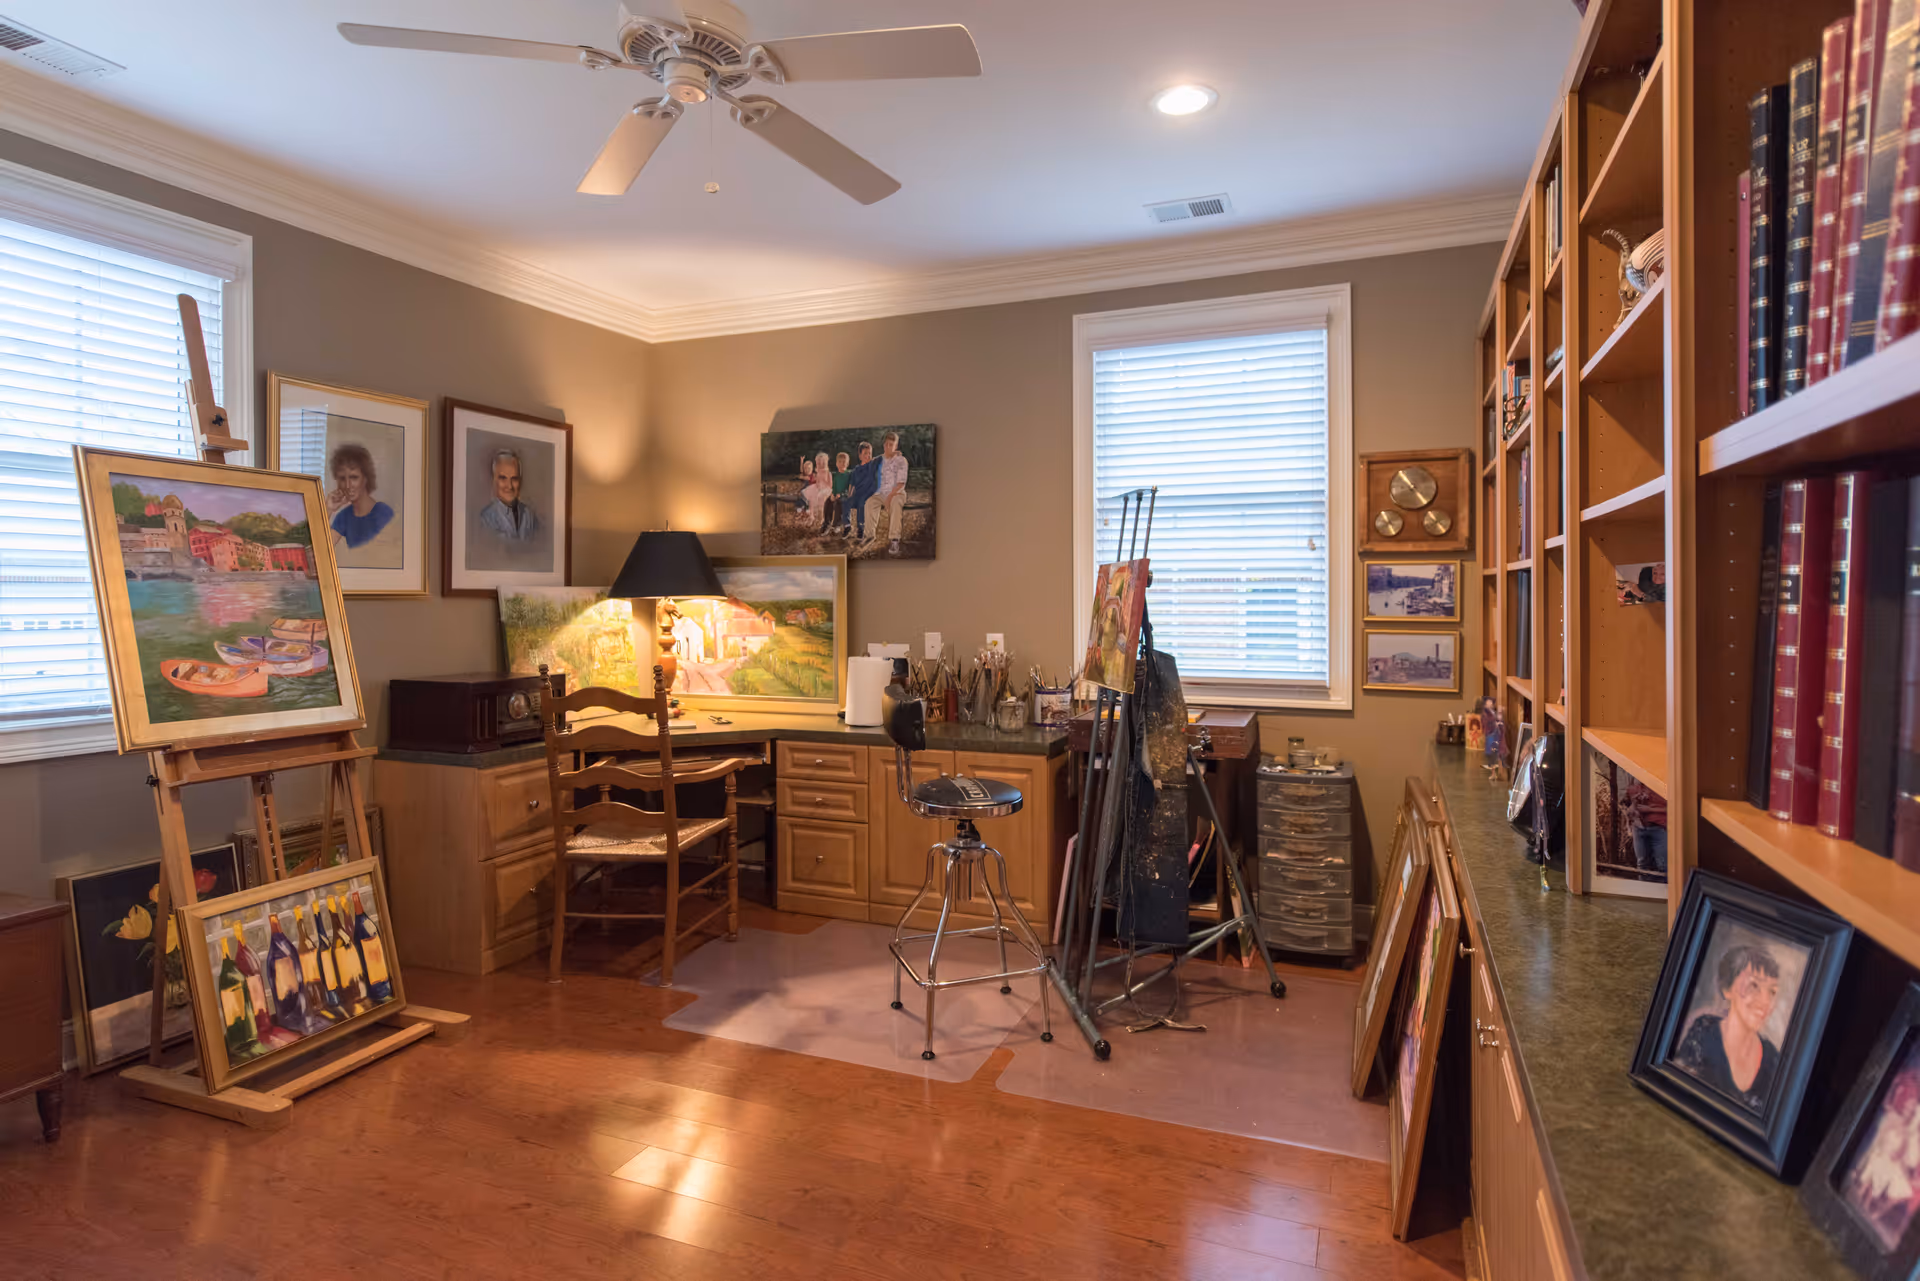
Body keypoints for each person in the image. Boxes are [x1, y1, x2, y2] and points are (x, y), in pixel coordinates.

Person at [1672, 943, 1783, 1111]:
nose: (1766, 1002)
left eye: (1772, 992)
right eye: (1754, 986)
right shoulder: (1703, 1033)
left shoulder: (1773, 1060)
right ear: (1727, 989)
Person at [326, 443, 394, 551]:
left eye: (354, 477)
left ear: (366, 478)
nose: (348, 485)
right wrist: (328, 509)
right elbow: (322, 550)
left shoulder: (383, 512)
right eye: (342, 479)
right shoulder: (343, 517)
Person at [863, 430, 910, 556]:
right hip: (881, 493)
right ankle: (869, 535)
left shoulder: (901, 461)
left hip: (897, 493)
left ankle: (894, 539)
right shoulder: (879, 460)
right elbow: (867, 466)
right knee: (869, 503)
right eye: (886, 444)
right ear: (884, 445)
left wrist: (889, 498)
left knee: (895, 504)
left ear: (896, 446)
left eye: (891, 445)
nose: (888, 447)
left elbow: (900, 484)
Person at [479, 448, 537, 542]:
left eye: (514, 479)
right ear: (494, 481)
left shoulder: (529, 515)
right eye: (503, 478)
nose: (509, 486)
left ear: (520, 481)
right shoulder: (486, 518)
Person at [1621, 778, 1667, 873]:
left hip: (1659, 828)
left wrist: (1650, 809)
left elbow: (1674, 807)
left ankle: (1664, 887)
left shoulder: (1663, 789)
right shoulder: (1633, 789)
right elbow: (1628, 811)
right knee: (1642, 863)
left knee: (1662, 864)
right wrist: (1634, 803)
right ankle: (1643, 885)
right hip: (1639, 828)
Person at [845, 440, 880, 543]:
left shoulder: (872, 465)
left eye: (870, 453)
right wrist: (850, 495)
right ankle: (847, 525)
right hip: (858, 493)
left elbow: (881, 458)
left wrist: (893, 454)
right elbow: (852, 483)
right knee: (846, 502)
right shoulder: (856, 470)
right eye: (865, 453)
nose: (868, 455)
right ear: (860, 456)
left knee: (862, 503)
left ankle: (861, 528)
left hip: (869, 493)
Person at [824, 451, 852, 532]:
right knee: (828, 502)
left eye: (844, 462)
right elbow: (834, 487)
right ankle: (827, 523)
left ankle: (837, 524)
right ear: (836, 464)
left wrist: (841, 494)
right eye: (840, 462)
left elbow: (849, 488)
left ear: (847, 464)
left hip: (845, 496)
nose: (842, 464)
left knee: (838, 503)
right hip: (836, 494)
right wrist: (833, 494)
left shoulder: (849, 474)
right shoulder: (835, 475)